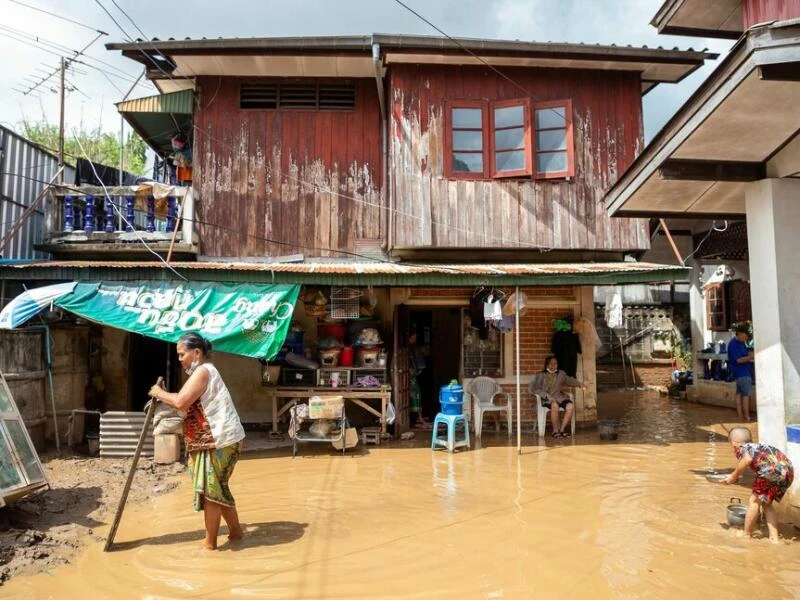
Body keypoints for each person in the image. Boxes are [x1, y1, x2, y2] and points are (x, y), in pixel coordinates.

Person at [149, 332, 246, 550]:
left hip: (219, 440)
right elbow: (183, 399)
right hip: (220, 439)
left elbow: (181, 402)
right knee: (218, 487)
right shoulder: (203, 372)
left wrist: (158, 393)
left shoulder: (202, 371)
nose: (180, 359)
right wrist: (165, 395)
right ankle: (236, 532)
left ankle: (210, 544)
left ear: (197, 353)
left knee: (211, 492)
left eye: (182, 354)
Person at [723, 427, 794, 543]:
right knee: (766, 504)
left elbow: (746, 459)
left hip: (771, 471)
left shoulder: (744, 448)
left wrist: (733, 476)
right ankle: (774, 538)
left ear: (734, 443)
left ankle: (746, 535)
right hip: (788, 472)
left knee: (753, 501)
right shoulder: (758, 447)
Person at [528, 355, 587, 438]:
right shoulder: (541, 375)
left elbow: (570, 380)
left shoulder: (561, 374)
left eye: (555, 364)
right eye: (551, 364)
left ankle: (562, 430)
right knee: (554, 405)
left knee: (570, 406)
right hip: (547, 399)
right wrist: (546, 395)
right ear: (547, 365)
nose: (553, 366)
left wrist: (580, 384)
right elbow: (535, 389)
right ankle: (555, 431)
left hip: (560, 397)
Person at [728, 325, 755, 422]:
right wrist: (750, 357)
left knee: (739, 395)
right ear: (739, 334)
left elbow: (746, 354)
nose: (746, 338)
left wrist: (749, 353)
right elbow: (739, 360)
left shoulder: (742, 343)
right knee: (746, 395)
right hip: (742, 373)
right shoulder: (733, 344)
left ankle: (740, 417)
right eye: (745, 335)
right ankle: (747, 417)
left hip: (741, 372)